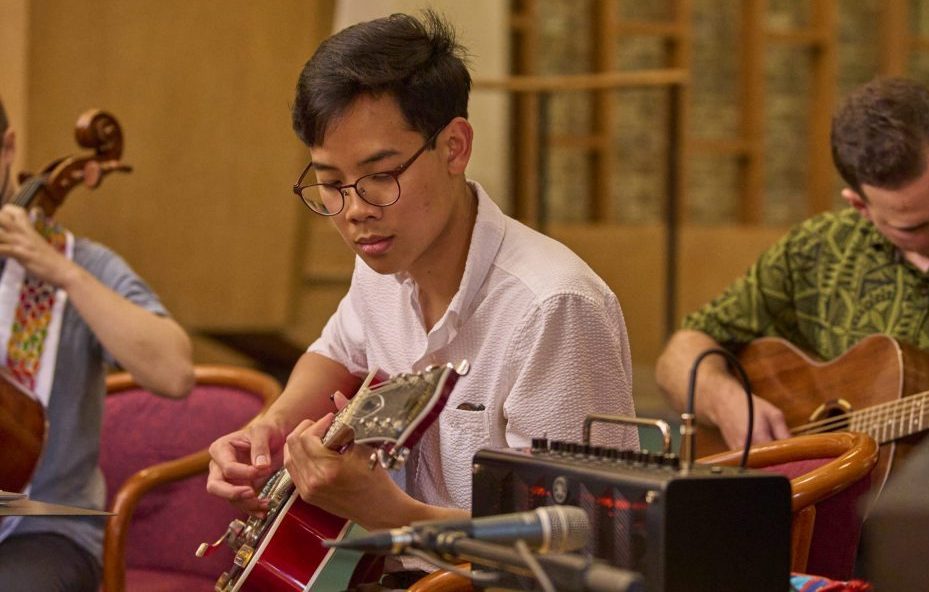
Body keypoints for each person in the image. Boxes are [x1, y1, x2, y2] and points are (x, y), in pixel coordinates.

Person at [205, 10, 637, 586]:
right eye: (330, 184)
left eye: (381, 176)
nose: (355, 211)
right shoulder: (382, 264)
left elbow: (579, 545)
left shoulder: (552, 307)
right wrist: (270, 426)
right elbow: (335, 354)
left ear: (454, 147)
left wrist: (390, 513)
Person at [656, 76, 929, 451]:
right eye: (914, 228)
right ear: (861, 206)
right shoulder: (818, 249)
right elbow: (682, 351)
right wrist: (724, 401)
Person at [0, 98, 194, 591]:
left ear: (7, 148)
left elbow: (174, 373)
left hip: (45, 530)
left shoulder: (81, 264)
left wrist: (62, 274)